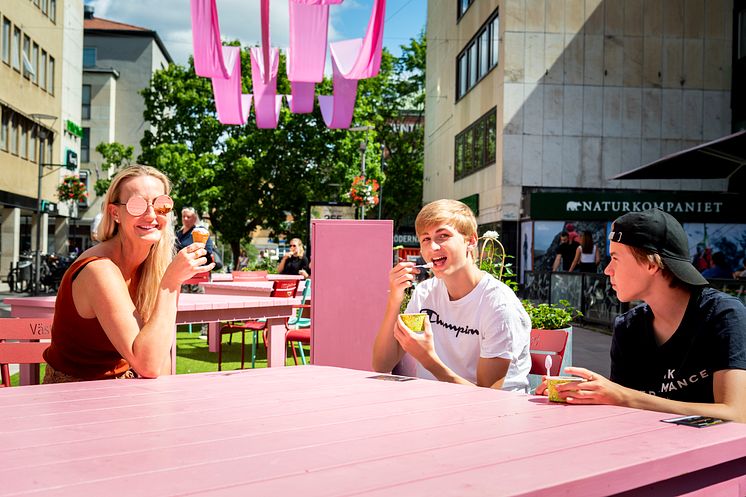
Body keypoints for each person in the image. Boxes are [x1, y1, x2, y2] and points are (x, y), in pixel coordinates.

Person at [536, 208, 746, 423]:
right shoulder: (629, 326)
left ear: (651, 264)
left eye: (615, 258)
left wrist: (622, 397)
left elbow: (736, 414)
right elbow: (624, 411)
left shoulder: (723, 314)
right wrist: (585, 393)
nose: (608, 270)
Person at [42, 165, 214, 383]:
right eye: (136, 205)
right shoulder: (98, 269)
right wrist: (171, 282)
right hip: (74, 397)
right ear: (115, 213)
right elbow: (148, 365)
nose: (151, 215)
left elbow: (159, 362)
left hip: (124, 390)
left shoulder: (153, 266)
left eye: (161, 205)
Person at [372, 199, 531, 391]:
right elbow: (382, 365)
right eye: (426, 239)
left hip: (492, 415)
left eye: (443, 236)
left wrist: (428, 359)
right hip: (433, 407)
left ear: (470, 241)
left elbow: (486, 398)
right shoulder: (424, 293)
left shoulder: (498, 305)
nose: (433, 247)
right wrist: (395, 298)